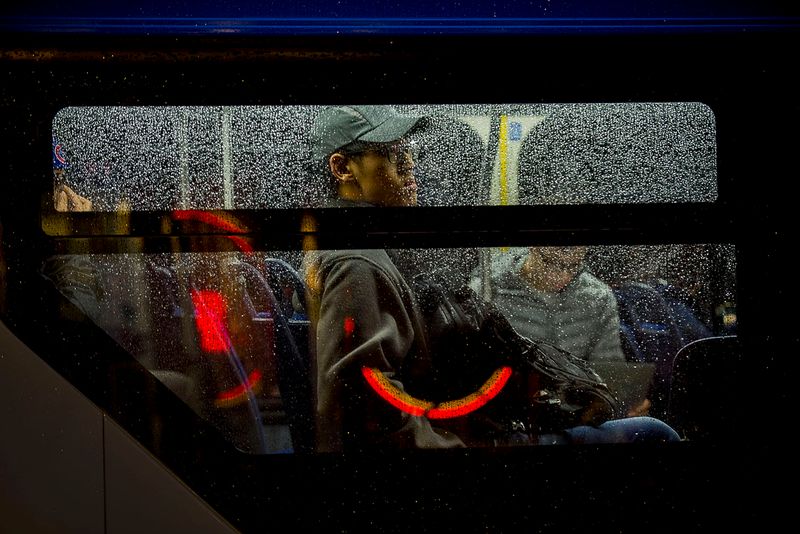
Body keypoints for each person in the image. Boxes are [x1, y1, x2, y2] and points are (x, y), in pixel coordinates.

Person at [303, 105, 679, 452]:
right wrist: (460, 444)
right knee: (654, 435)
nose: (410, 165)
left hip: (473, 420)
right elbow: (363, 410)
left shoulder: (378, 248)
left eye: (410, 152)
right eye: (392, 155)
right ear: (342, 168)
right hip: (463, 440)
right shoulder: (357, 264)